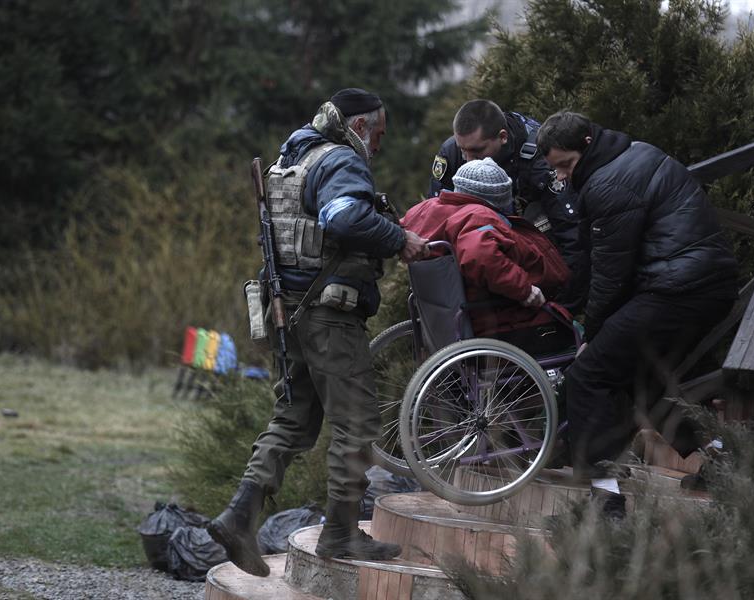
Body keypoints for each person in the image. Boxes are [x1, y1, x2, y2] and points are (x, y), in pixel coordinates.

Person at [207, 88, 428, 577]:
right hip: (330, 314)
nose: (380, 144)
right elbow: (343, 218)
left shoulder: (293, 156)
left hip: (288, 311)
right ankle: (342, 533)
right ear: (362, 126)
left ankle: (238, 517)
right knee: (359, 421)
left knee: (294, 419)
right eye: (380, 133)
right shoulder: (341, 162)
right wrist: (399, 238)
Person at [536, 111, 739, 517]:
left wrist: (591, 331)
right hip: (702, 283)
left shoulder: (607, 183)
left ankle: (606, 501)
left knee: (587, 375)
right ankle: (725, 462)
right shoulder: (634, 154)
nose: (560, 177)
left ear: (588, 144)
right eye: (554, 168)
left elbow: (611, 274)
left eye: (565, 165)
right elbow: (594, 261)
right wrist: (565, 303)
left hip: (678, 289)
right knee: (645, 381)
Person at [428, 100, 586, 306]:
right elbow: (438, 216)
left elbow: (570, 229)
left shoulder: (538, 152)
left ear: (502, 137)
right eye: (463, 150)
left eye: (477, 152)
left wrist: (568, 302)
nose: (468, 160)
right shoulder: (451, 152)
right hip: (476, 244)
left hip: (531, 233)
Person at [404, 157, 571, 338]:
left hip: (450, 321)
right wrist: (524, 290)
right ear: (495, 201)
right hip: (498, 320)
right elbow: (480, 256)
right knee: (571, 331)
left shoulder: (423, 210)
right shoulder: (477, 216)